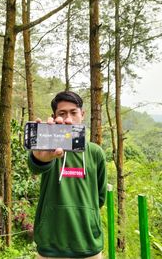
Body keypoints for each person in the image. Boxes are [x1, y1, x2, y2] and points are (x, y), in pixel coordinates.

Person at [27, 91, 107, 259]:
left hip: (88, 244)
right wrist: (40, 159)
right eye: (62, 113)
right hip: (51, 245)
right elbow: (37, 166)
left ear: (82, 114)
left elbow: (99, 197)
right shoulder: (49, 149)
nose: (68, 118)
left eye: (73, 112)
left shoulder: (95, 152)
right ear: (54, 117)